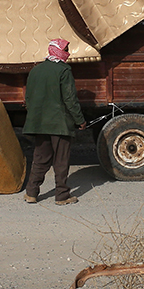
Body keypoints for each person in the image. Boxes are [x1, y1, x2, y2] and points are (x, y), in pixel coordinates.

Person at [23, 38, 87, 205]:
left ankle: (31, 193)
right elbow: (70, 99)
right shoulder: (63, 71)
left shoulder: (35, 71)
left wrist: (36, 117)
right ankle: (62, 195)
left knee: (40, 158)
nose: (68, 52)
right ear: (58, 51)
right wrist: (80, 120)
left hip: (39, 124)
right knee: (61, 161)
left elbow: (28, 99)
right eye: (66, 49)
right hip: (59, 125)